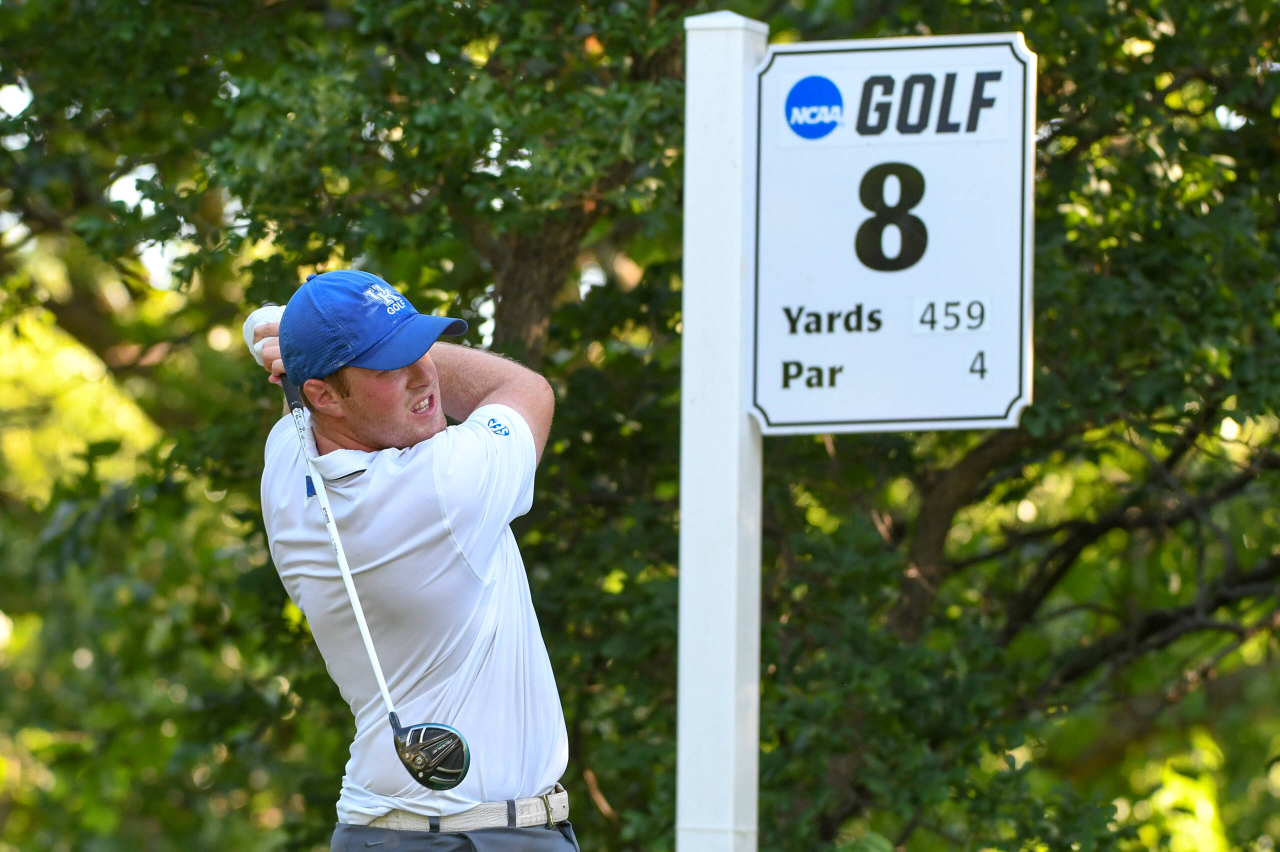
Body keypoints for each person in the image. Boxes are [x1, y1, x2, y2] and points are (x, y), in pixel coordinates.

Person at [247, 270, 577, 852]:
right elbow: (525, 390)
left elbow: (293, 377)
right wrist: (280, 331)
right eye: (389, 365)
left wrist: (296, 342)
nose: (424, 375)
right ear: (323, 395)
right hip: (471, 839)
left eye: (420, 348)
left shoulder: (286, 463)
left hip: (384, 831)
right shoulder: (443, 488)